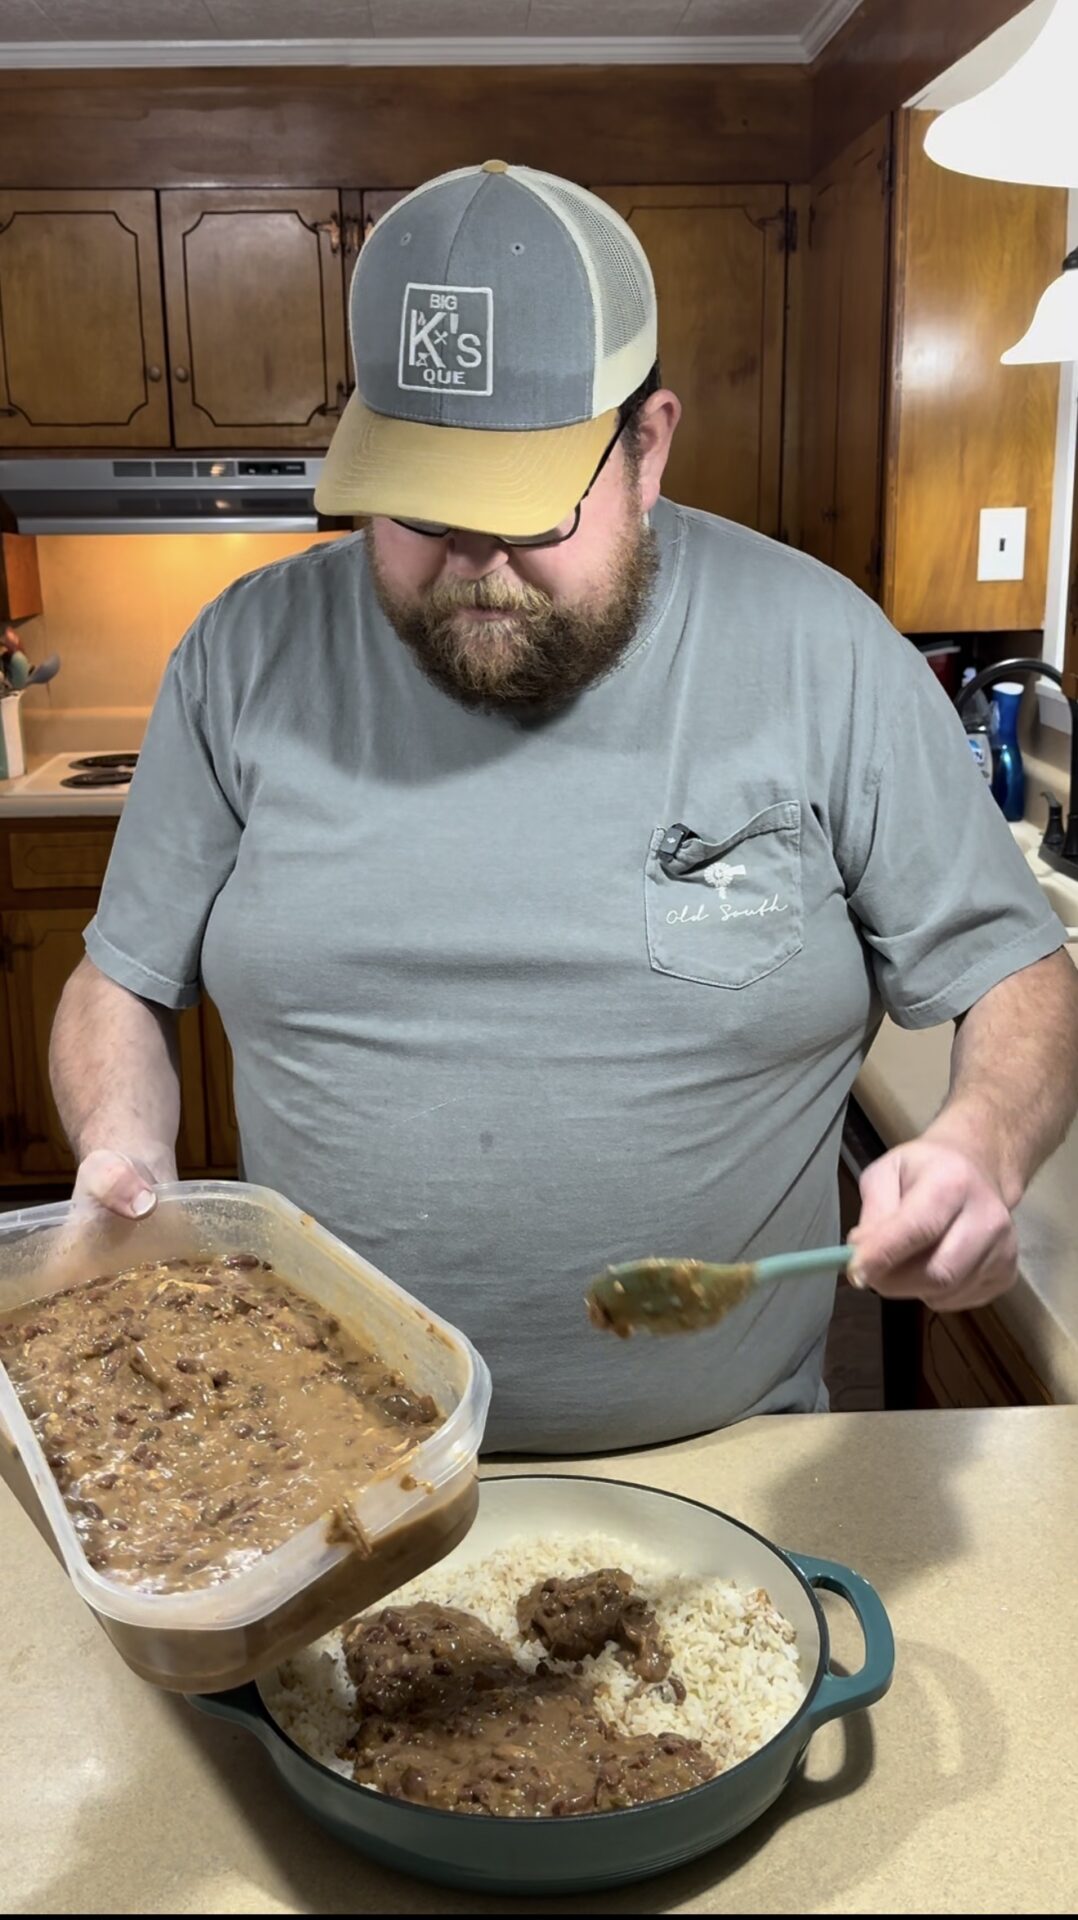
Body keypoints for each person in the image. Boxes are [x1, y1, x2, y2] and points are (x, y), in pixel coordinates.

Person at [50, 160, 1078, 1453]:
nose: (474, 562)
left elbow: (1019, 976)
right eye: (422, 503)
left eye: (526, 506)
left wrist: (982, 1145)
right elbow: (118, 982)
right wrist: (120, 1147)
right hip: (329, 1477)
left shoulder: (826, 654)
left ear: (646, 447)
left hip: (730, 1477)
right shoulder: (240, 658)